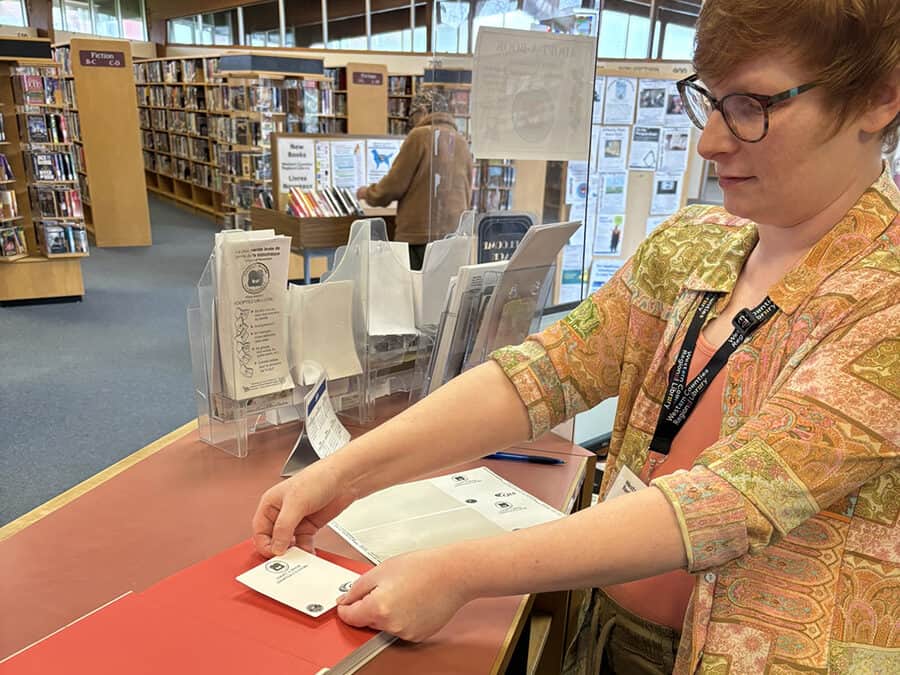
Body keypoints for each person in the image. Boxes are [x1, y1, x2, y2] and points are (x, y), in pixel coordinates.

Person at [253, 1, 900, 672]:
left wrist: (460, 571)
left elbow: (726, 501)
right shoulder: (693, 246)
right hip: (607, 629)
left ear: (879, 97)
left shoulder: (886, 298)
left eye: (752, 105)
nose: (710, 141)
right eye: (710, 100)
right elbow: (540, 373)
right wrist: (344, 469)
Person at [356, 89, 473, 271]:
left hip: (419, 235)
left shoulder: (420, 137)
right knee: (441, 292)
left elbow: (394, 185)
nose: (413, 123)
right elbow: (468, 188)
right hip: (453, 234)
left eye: (414, 116)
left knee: (414, 291)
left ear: (424, 111)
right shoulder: (461, 141)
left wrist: (368, 194)